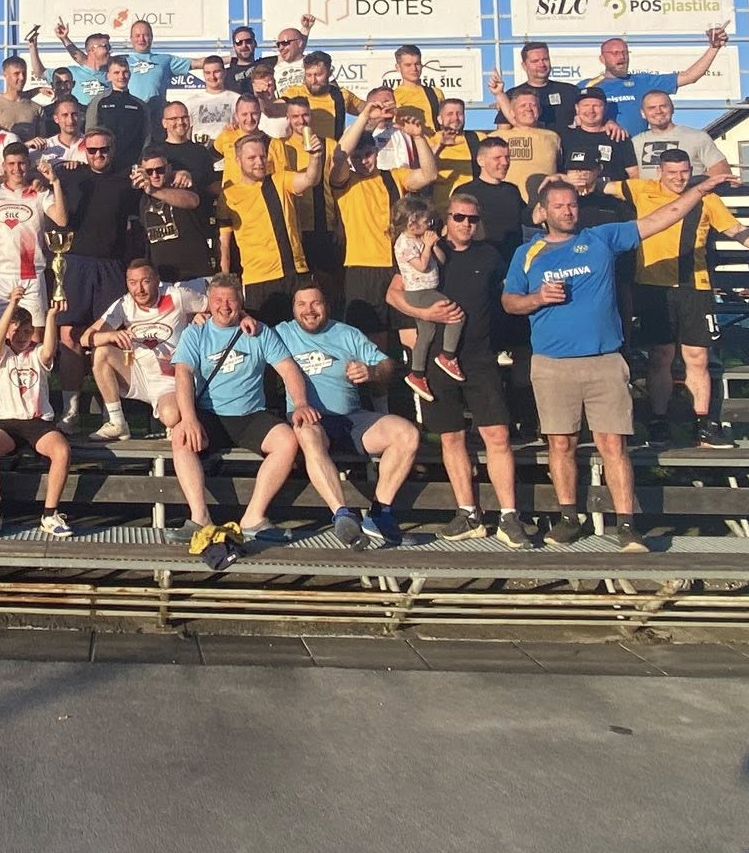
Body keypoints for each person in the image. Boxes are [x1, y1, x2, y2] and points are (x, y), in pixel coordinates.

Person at [502, 173, 729, 552]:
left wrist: (700, 190)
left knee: (613, 444)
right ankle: (569, 518)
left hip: (604, 361)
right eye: (559, 206)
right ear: (543, 212)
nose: (568, 211)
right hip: (552, 363)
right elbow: (509, 302)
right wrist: (537, 298)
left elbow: (661, 218)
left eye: (572, 204)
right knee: (561, 443)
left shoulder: (601, 238)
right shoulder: (526, 253)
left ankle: (626, 525)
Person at [621, 149, 749, 447]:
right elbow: (595, 185)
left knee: (698, 357)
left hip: (695, 286)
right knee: (660, 356)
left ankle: (703, 425)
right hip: (653, 287)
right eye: (672, 172)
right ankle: (658, 424)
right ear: (659, 172)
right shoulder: (641, 189)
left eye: (684, 172)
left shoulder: (707, 199)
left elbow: (737, 230)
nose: (679, 178)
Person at [385, 190, 533, 549]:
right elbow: (393, 294)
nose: (466, 224)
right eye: (459, 217)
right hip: (438, 359)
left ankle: (509, 516)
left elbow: (508, 297)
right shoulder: (427, 249)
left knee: (497, 435)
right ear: (445, 219)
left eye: (472, 218)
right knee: (451, 437)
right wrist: (423, 313)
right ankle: (468, 513)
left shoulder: (490, 255)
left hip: (480, 358)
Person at [167, 273, 325, 569]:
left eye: (230, 300)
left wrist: (301, 403)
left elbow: (288, 368)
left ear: (240, 302)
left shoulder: (259, 332)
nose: (224, 306)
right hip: (212, 413)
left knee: (287, 440)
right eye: (217, 300)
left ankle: (253, 516)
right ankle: (200, 517)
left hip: (251, 414)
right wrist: (188, 418)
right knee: (181, 436)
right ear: (209, 302)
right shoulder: (196, 333)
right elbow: (183, 374)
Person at [276, 282, 422, 548]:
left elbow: (387, 364)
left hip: (352, 419)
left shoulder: (346, 333)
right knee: (307, 433)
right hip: (311, 419)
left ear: (327, 306)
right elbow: (241, 329)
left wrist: (371, 372)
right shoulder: (281, 333)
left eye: (316, 303)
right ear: (293, 309)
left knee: (407, 434)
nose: (309, 310)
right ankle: (342, 515)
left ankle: (379, 514)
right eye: (302, 304)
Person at [42, 131, 143, 392]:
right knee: (69, 336)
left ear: (113, 149)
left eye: (104, 150)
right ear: (84, 151)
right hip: (74, 263)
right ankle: (71, 406)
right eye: (92, 150)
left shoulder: (128, 180)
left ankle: (111, 405)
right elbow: (33, 177)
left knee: (111, 335)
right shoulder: (69, 174)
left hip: (111, 265)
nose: (98, 155)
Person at [0, 287, 74, 537]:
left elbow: (49, 350)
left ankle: (49, 514)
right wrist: (12, 304)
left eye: (26, 331)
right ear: (8, 332)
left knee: (62, 450)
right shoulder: (2, 355)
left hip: (38, 423)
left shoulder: (36, 353)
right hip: (8, 423)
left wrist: (51, 317)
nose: (20, 336)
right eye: (15, 331)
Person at [332, 102, 435, 344]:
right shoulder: (345, 182)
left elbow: (429, 174)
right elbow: (339, 154)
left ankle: (414, 368)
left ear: (376, 152)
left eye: (367, 155)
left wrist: (418, 137)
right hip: (362, 266)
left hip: (400, 264)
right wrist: (364, 116)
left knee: (410, 332)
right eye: (357, 157)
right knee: (371, 339)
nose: (363, 161)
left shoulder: (394, 176)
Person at [84, 261, 206, 441]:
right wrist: (111, 335)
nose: (139, 289)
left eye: (145, 281)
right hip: (137, 372)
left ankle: (175, 424)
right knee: (101, 352)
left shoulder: (177, 295)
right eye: (132, 283)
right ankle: (117, 422)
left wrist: (203, 315)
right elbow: (85, 338)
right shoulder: (124, 304)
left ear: (157, 280)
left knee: (171, 416)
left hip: (169, 378)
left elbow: (217, 305)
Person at [216, 130, 320, 324]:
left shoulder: (280, 180)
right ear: (238, 161)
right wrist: (224, 281)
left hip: (295, 274)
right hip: (258, 280)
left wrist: (315, 157)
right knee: (264, 336)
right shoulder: (228, 194)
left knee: (305, 333)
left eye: (262, 156)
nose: (259, 162)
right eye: (252, 158)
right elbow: (224, 243)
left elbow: (309, 179)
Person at [582, 28, 730, 134]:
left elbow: (690, 76)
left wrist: (714, 48)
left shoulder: (643, 81)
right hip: (601, 154)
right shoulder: (587, 86)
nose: (621, 57)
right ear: (602, 59)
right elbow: (573, 119)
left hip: (636, 153)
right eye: (614, 53)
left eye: (624, 52)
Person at [390, 196, 460, 402]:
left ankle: (417, 373)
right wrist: (427, 246)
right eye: (423, 221)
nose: (427, 224)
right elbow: (421, 266)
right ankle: (448, 356)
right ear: (410, 222)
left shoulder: (422, 238)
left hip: (429, 288)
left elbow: (442, 260)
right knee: (456, 316)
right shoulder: (404, 243)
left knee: (426, 333)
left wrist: (434, 244)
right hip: (419, 292)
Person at [273, 96, 343, 290]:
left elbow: (338, 187)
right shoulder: (280, 146)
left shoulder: (329, 144)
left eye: (305, 115)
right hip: (294, 227)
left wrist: (340, 224)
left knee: (329, 284)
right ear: (288, 118)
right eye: (295, 116)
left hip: (325, 223)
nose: (301, 120)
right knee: (301, 286)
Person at [0, 145, 51, 331]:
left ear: (29, 164)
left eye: (21, 163)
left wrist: (54, 183)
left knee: (34, 335)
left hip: (30, 272)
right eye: (11, 164)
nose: (16, 169)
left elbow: (61, 219)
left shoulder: (39, 192)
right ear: (4, 166)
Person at [134, 145, 217, 285]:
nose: (155, 175)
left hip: (196, 275)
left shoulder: (181, 184)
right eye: (149, 171)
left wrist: (154, 191)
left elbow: (192, 201)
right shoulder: (142, 197)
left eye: (160, 170)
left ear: (169, 169)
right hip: (163, 279)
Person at [631, 90, 733, 180]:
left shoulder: (697, 137)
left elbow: (722, 169)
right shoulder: (634, 143)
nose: (658, 111)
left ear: (672, 109)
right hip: (647, 196)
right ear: (643, 113)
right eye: (652, 108)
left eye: (663, 106)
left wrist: (694, 188)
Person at [464, 137, 531, 259]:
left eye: (507, 157)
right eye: (497, 158)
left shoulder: (512, 190)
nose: (505, 162)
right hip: (480, 260)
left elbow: (530, 219)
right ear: (481, 161)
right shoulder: (466, 192)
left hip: (512, 261)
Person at [495, 86, 563, 201]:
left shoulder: (553, 137)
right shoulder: (497, 137)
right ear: (512, 112)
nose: (528, 109)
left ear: (539, 111)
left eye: (533, 105)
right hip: (507, 201)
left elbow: (560, 169)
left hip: (544, 203)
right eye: (523, 106)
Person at [492, 40, 580, 129]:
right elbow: (503, 131)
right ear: (524, 66)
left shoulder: (570, 91)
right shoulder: (512, 95)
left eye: (545, 59)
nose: (541, 64)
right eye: (535, 61)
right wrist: (500, 95)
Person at [557, 87, 638, 181]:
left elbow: (634, 174)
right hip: (573, 190)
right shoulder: (564, 137)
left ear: (605, 109)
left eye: (596, 106)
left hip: (610, 190)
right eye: (585, 105)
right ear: (577, 108)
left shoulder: (618, 136)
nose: (591, 110)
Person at [284, 50, 364, 142]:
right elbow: (274, 109)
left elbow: (370, 111)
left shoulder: (342, 95)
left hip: (333, 150)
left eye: (318, 75)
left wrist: (363, 135)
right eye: (309, 75)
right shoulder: (293, 93)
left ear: (330, 73)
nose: (313, 80)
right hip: (301, 150)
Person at [84, 57, 147, 170]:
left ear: (130, 74)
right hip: (105, 163)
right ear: (109, 76)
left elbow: (147, 135)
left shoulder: (140, 105)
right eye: (116, 73)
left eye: (125, 72)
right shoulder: (98, 102)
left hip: (132, 164)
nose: (121, 76)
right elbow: (90, 133)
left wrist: (142, 160)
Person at [122, 18, 193, 109]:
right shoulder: (121, 61)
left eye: (146, 35)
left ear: (151, 37)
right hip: (130, 112)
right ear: (131, 39)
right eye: (137, 35)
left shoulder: (165, 60)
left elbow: (198, 63)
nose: (141, 39)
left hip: (157, 113)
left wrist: (212, 60)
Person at [557, 147, 634, 228]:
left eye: (585, 168)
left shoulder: (613, 203)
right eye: (573, 169)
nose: (579, 173)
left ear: (599, 169)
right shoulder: (559, 201)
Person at [179, 55, 239, 143]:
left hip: (227, 148)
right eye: (208, 73)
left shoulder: (236, 99)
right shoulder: (191, 102)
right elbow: (186, 133)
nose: (212, 77)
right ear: (203, 74)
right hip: (200, 149)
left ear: (224, 72)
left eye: (216, 72)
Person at [51, 22, 114, 106]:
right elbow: (40, 72)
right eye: (106, 47)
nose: (109, 51)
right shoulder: (72, 72)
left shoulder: (116, 70)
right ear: (92, 49)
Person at [388, 44, 446, 132]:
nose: (414, 69)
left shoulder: (436, 93)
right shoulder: (393, 96)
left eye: (417, 64)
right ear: (398, 67)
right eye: (408, 65)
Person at [0, 53, 43, 138]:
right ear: (5, 75)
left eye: (24, 73)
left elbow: (42, 141)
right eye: (16, 74)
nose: (22, 78)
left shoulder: (37, 109)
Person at [33, 95, 87, 175]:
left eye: (74, 114)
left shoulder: (92, 145)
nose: (70, 120)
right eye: (65, 115)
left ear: (81, 116)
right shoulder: (45, 146)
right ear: (56, 119)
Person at [266, 19, 315, 94]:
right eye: (278, 44)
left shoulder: (314, 64)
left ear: (299, 43)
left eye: (285, 43)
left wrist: (306, 29)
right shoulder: (274, 69)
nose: (281, 48)